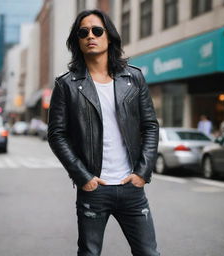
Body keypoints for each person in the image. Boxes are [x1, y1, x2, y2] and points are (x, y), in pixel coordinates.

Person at [48, 9, 160, 256]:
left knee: (149, 253)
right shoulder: (66, 84)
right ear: (77, 40)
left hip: (131, 186)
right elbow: (57, 134)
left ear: (109, 36)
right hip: (94, 187)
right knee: (89, 253)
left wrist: (142, 172)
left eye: (97, 30)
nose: (91, 35)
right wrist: (83, 177)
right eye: (83, 32)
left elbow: (150, 126)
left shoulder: (133, 78)